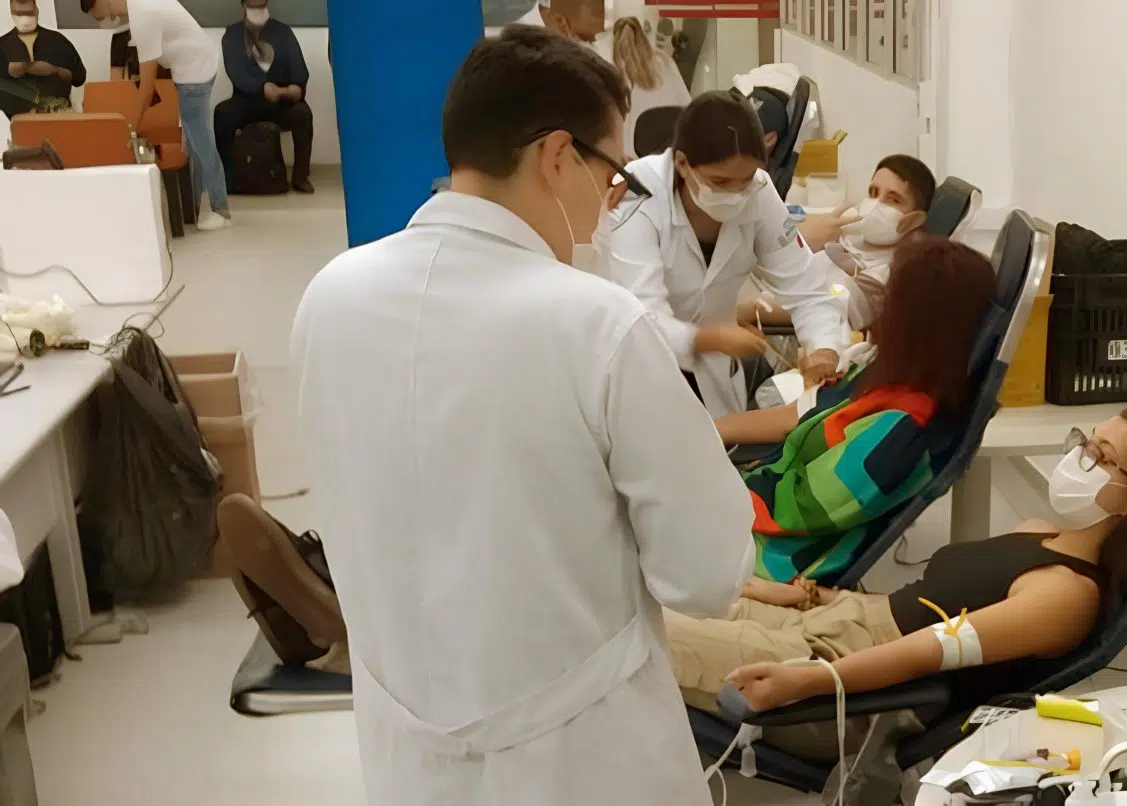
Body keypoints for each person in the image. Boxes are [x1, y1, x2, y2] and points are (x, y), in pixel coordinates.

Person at [291, 25, 754, 806]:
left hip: (409, 759)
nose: (609, 204)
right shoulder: (597, 325)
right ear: (557, 156)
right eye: (610, 176)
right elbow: (704, 575)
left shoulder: (331, 296)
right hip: (588, 763)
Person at [668, 407, 1127, 750]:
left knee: (639, 630)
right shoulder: (1041, 532)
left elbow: (929, 649)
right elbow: (925, 603)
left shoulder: (1065, 595)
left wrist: (808, 682)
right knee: (663, 588)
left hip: (847, 682)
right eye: (1085, 441)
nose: (1077, 458)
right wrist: (807, 598)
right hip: (835, 623)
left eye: (1100, 456)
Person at [719, 237, 995, 584]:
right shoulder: (890, 378)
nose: (881, 307)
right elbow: (801, 416)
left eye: (892, 296)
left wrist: (717, 488)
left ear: (917, 318)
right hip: (752, 510)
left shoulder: (903, 430)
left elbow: (800, 508)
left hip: (765, 556)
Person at [608, 91, 848, 417]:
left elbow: (808, 289)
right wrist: (710, 339)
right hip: (640, 379)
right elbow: (639, 319)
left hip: (716, 382)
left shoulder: (759, 191)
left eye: (745, 180)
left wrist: (823, 350)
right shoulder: (636, 195)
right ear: (681, 163)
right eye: (719, 181)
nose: (736, 193)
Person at [744, 154, 937, 333]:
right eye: (873, 192)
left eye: (893, 199)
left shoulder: (884, 274)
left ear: (913, 220)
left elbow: (828, 303)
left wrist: (749, 310)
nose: (875, 204)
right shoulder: (855, 239)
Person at [84, 0, 231, 231]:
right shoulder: (141, 6)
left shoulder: (144, 15)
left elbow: (147, 86)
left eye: (96, 14)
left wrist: (131, 127)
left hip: (194, 74)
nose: (99, 20)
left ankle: (219, 208)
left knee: (201, 143)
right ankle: (198, 208)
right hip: (198, 64)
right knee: (194, 142)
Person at [216, 0, 314, 194]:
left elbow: (298, 68)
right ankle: (226, 178)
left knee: (302, 114)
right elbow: (236, 71)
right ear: (243, 6)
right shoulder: (233, 34)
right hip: (246, 101)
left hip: (281, 102)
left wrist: (294, 88)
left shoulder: (283, 32)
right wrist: (261, 87)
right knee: (222, 114)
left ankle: (300, 177)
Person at [611, 16, 688, 159]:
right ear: (643, 36)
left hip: (631, 161)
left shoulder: (614, 71)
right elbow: (688, 107)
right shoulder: (665, 63)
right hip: (669, 157)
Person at [0, 0, 86, 119]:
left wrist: (54, 71)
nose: (25, 18)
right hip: (15, 124)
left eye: (28, 13)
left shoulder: (58, 41)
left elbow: (79, 78)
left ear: (36, 10)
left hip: (58, 118)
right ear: (11, 12)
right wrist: (12, 71)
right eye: (19, 13)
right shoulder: (2, 46)